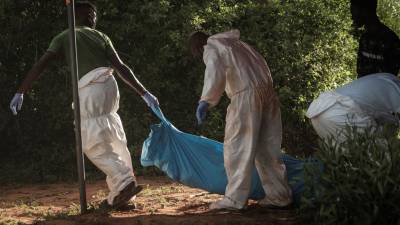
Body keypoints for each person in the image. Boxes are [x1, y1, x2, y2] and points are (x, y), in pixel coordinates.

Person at [9, 1, 159, 209]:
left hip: (91, 88)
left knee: (91, 139)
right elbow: (121, 68)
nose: (93, 18)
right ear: (75, 15)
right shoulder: (90, 36)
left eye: (94, 14)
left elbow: (42, 63)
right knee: (113, 135)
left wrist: (21, 90)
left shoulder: (67, 36)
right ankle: (121, 196)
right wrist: (143, 92)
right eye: (90, 14)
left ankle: (124, 182)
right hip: (109, 87)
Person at [188, 30, 292, 210]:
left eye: (196, 53)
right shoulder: (239, 45)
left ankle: (234, 200)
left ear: (198, 47)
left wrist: (206, 100)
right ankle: (279, 196)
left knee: (237, 147)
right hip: (268, 92)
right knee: (268, 149)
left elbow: (214, 71)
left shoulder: (212, 47)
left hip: (246, 97)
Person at [306, 73, 400, 145]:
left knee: (343, 157)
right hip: (341, 112)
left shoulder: (385, 79)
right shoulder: (395, 89)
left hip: (318, 111)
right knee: (379, 153)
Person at [351, 0, 400, 78]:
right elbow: (360, 73)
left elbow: (391, 79)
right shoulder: (364, 38)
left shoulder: (391, 40)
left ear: (364, 11)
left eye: (353, 11)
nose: (352, 16)